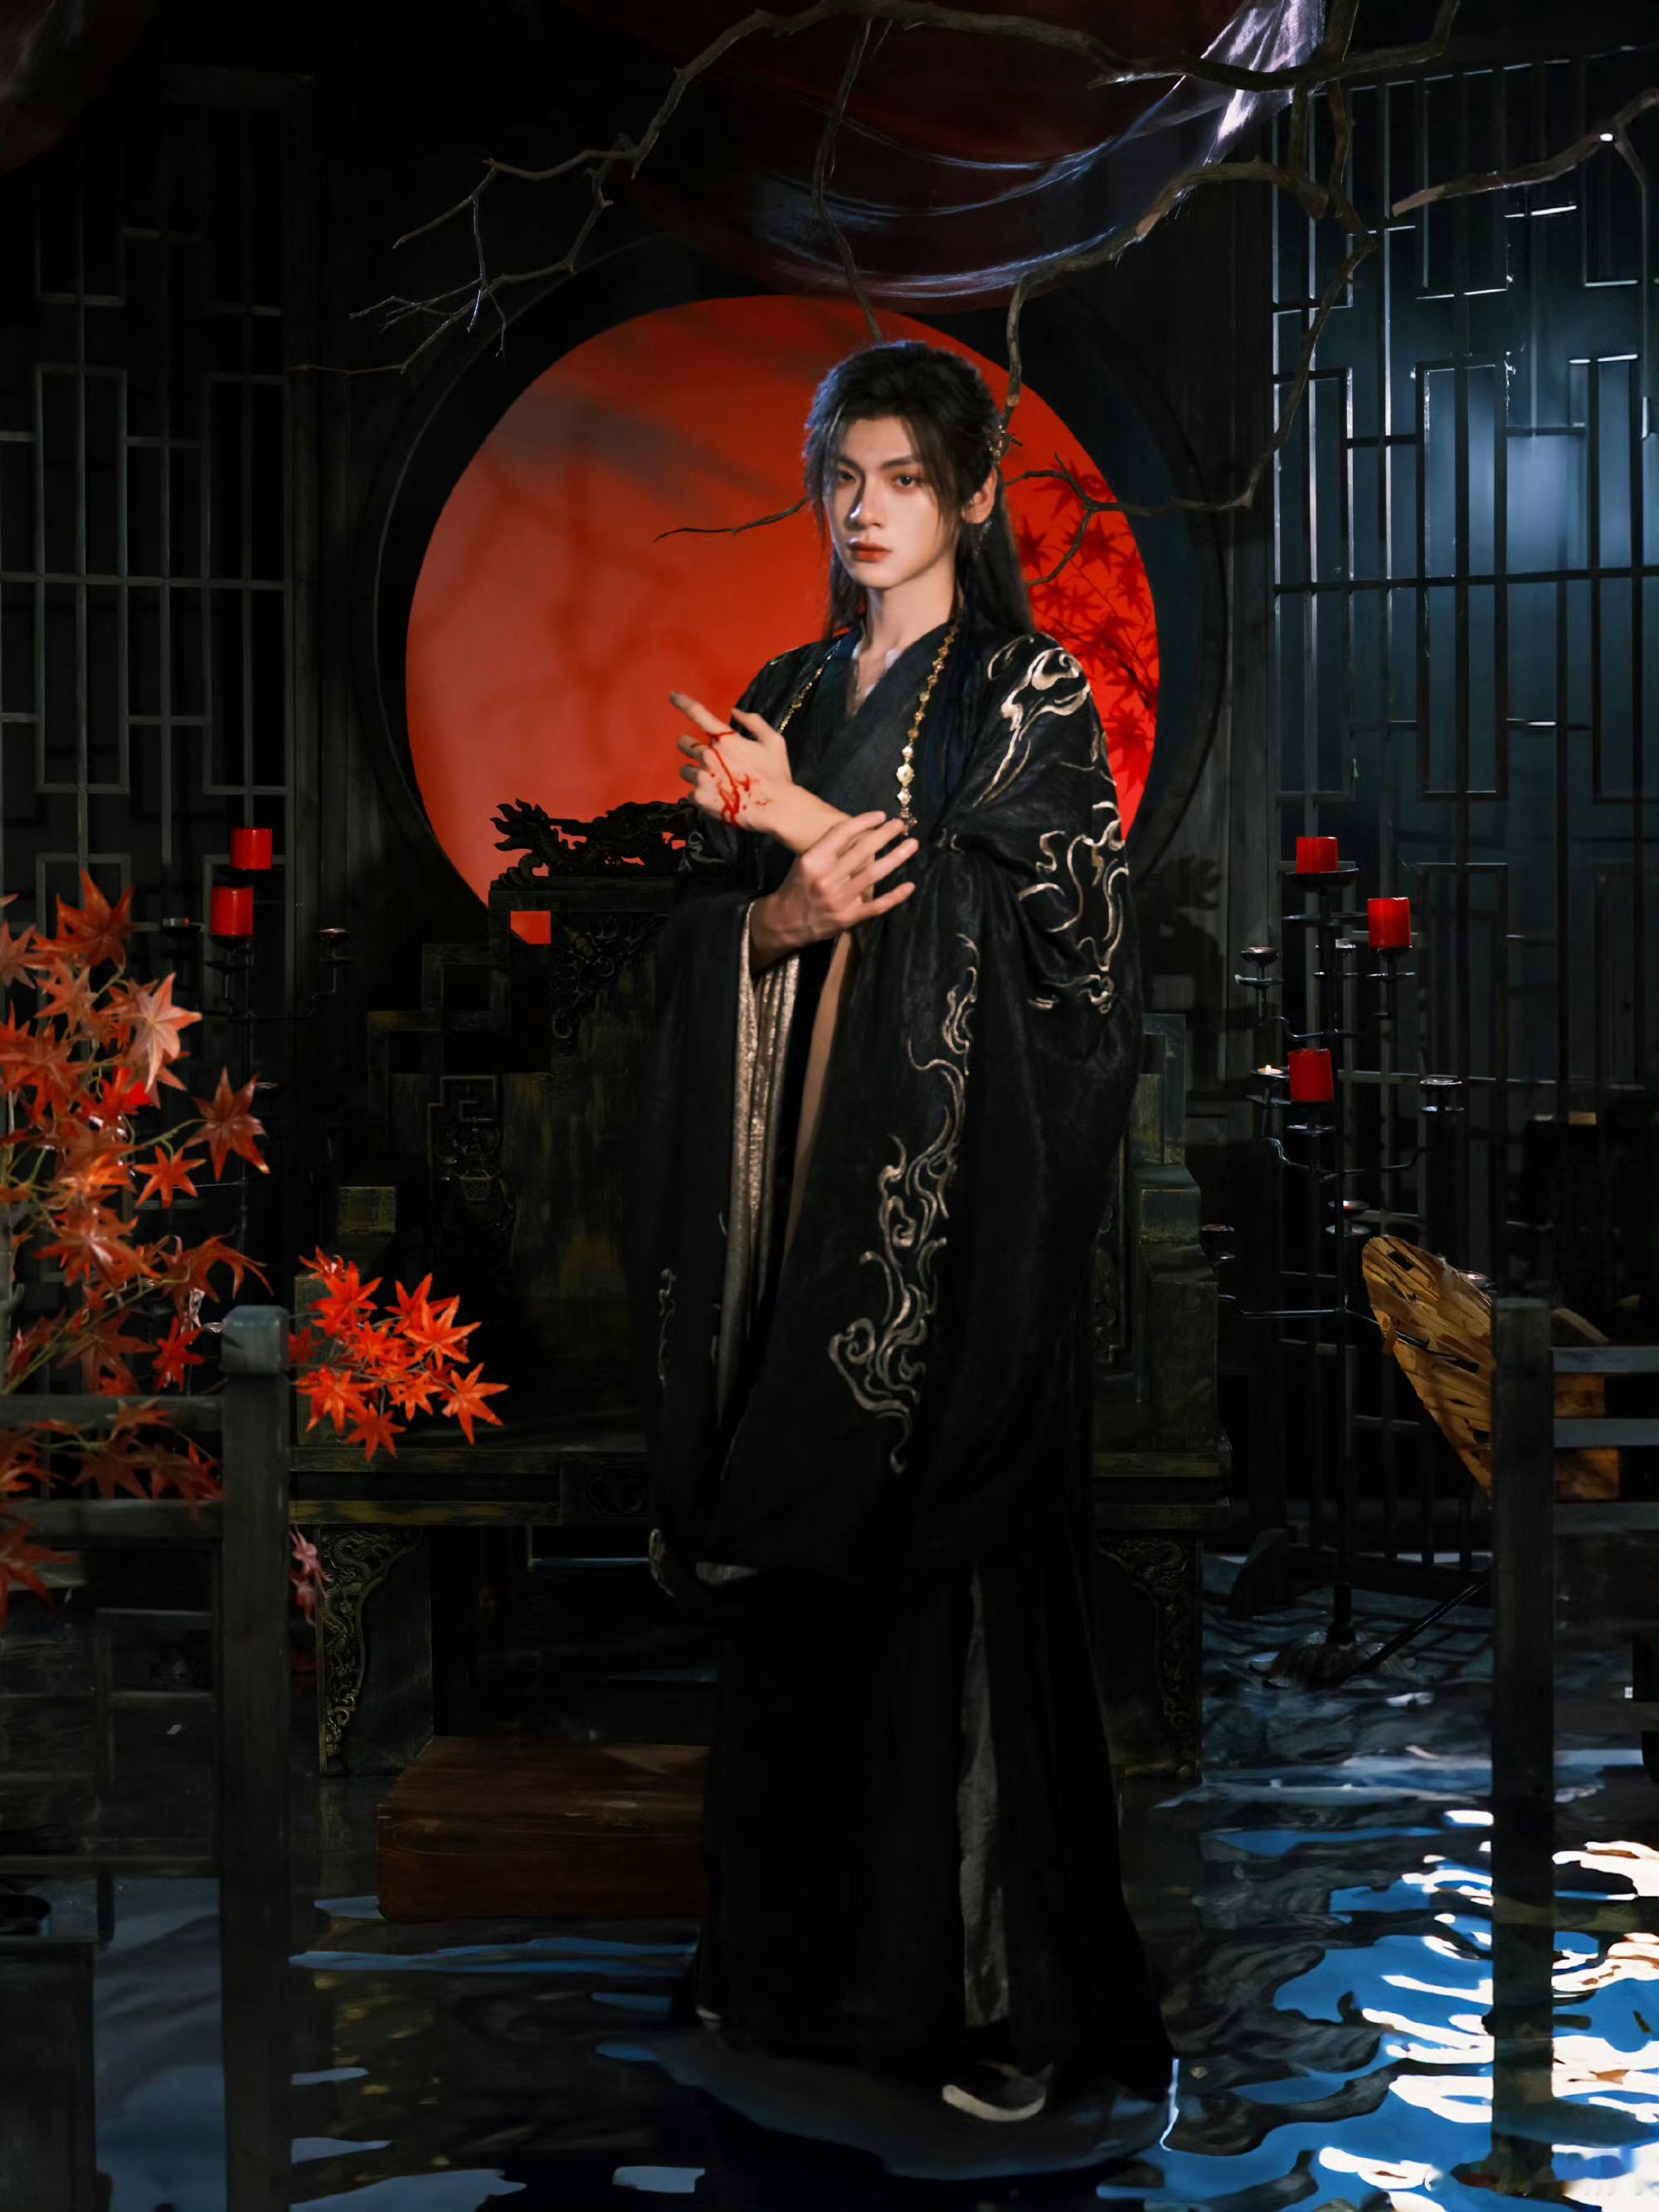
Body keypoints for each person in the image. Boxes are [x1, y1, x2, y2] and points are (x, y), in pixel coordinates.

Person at [627, 339, 1174, 2125]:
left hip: (953, 1229)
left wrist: (806, 821)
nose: (866, 511)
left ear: (974, 495)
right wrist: (770, 913)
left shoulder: (1029, 690)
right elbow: (705, 939)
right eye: (842, 477)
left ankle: (1003, 2014)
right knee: (800, 1588)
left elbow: (1073, 957)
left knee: (954, 1588)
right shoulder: (786, 687)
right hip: (794, 1212)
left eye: (906, 479)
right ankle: (796, 1976)